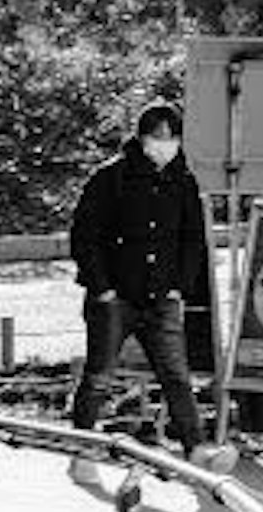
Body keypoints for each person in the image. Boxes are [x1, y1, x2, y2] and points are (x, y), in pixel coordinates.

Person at [67, 92, 213, 448]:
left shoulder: (183, 181)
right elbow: (85, 235)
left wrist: (181, 286)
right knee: (99, 375)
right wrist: (102, 287)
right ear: (142, 137)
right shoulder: (111, 177)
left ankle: (197, 448)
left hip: (162, 295)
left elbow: (193, 238)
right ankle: (80, 444)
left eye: (172, 137)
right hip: (115, 296)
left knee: (177, 376)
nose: (165, 145)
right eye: (157, 136)